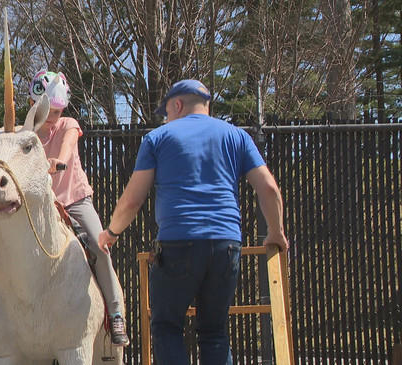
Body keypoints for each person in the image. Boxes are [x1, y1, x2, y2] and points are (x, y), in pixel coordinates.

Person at [97, 79, 288, 363]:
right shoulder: (237, 137)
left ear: (177, 105)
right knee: (214, 331)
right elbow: (269, 188)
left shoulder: (159, 138)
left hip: (178, 244)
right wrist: (276, 232)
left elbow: (132, 200)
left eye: (167, 112)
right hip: (226, 245)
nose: (167, 118)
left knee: (166, 326)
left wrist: (111, 232)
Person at [28, 69, 130, 347]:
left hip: (74, 201)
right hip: (42, 205)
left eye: (58, 111)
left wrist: (56, 162)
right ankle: (1, 312)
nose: (53, 117)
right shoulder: (27, 134)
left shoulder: (69, 125)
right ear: (33, 106)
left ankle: (115, 311)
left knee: (100, 245)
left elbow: (67, 147)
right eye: (48, 110)